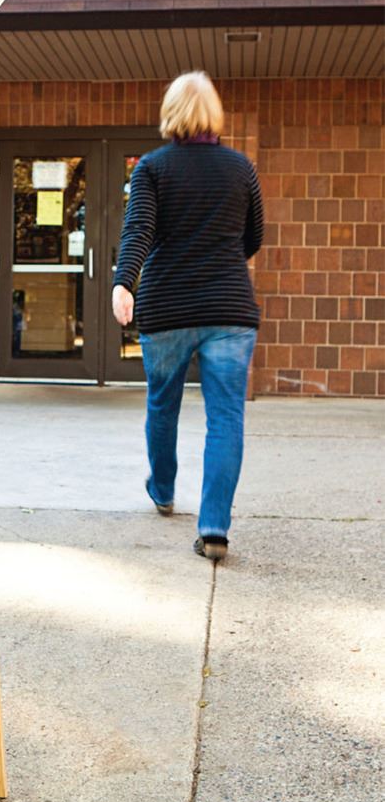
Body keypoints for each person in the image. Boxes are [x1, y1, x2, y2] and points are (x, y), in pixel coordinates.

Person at [112, 71, 264, 562]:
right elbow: (252, 240)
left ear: (170, 112)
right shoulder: (240, 168)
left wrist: (123, 282)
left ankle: (162, 489)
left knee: (163, 404)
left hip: (168, 306)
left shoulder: (153, 168)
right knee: (227, 418)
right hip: (229, 308)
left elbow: (138, 231)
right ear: (214, 113)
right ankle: (215, 526)